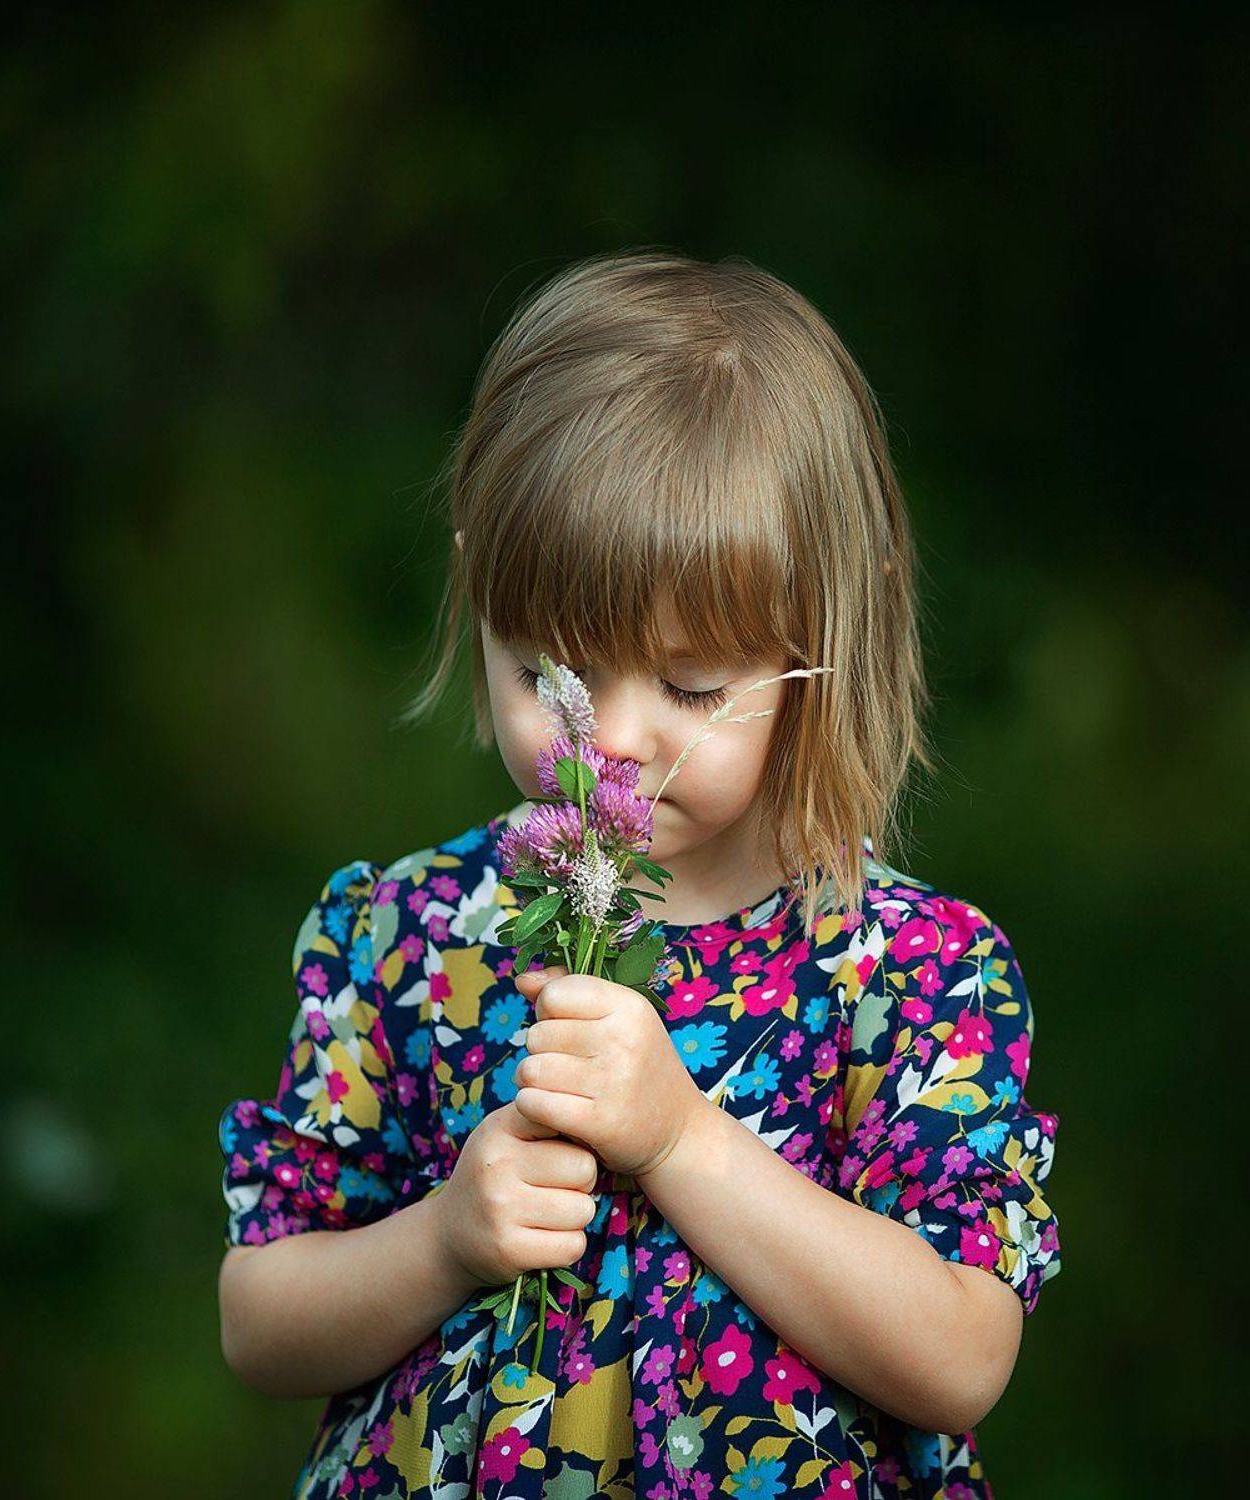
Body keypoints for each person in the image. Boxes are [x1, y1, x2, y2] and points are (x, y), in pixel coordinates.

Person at [216, 249, 1063, 1500]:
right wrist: (444, 1240)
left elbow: (959, 1357)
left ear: (826, 640)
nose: (608, 737)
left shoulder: (908, 973)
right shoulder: (408, 933)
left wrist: (681, 1139)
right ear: (476, 585)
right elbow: (259, 1321)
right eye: (546, 673)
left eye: (690, 686)